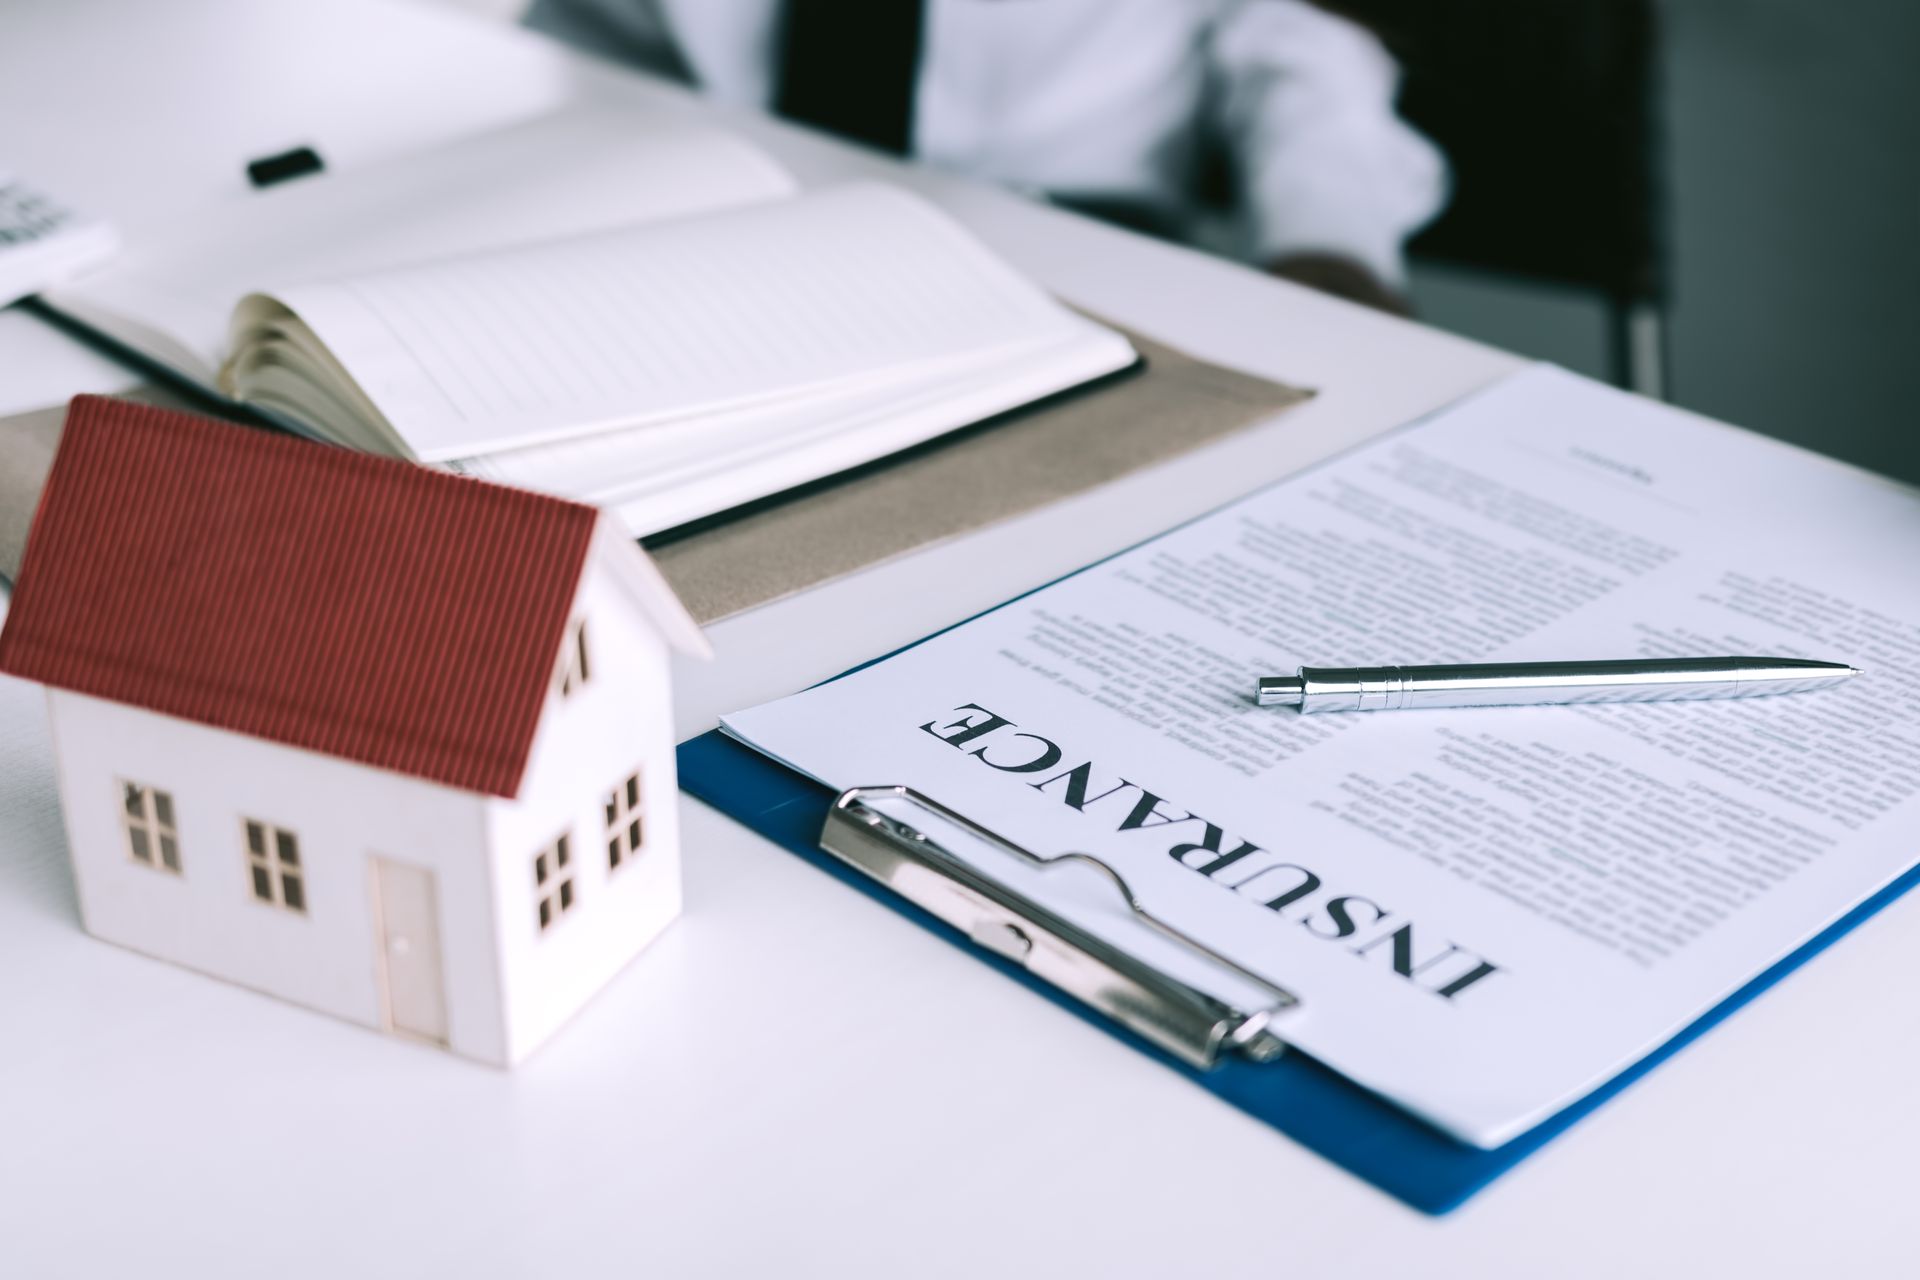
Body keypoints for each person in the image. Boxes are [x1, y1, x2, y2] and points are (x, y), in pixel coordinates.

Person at [524, 0, 1446, 313]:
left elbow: (1301, 39)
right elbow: (584, 39)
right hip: (706, 219)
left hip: (1067, 241)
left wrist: (1331, 236)